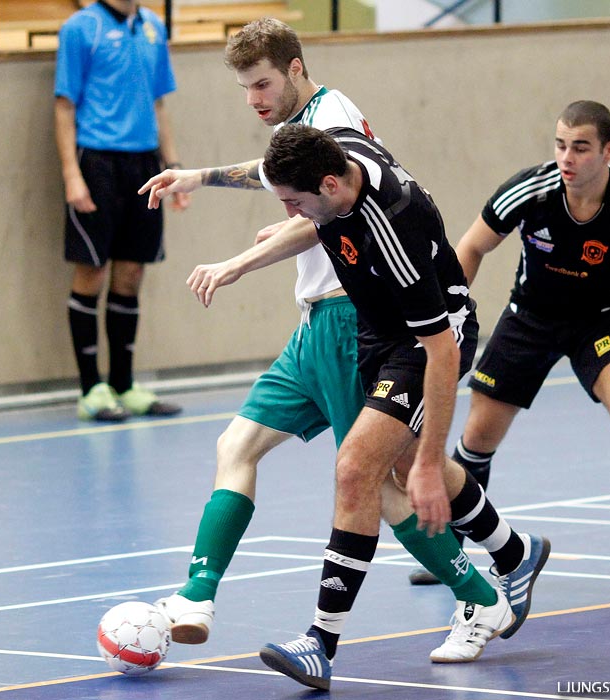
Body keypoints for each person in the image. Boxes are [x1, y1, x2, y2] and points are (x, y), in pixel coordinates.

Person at [138, 19, 547, 665]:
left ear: (296, 68)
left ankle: (464, 598)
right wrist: (204, 176)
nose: (253, 98)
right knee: (278, 451)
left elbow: (440, 347)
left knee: (378, 474)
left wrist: (240, 261)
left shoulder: (385, 219)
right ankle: (509, 557)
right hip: (350, 321)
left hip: (389, 327)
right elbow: (282, 178)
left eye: (263, 83)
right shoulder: (322, 144)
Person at [208, 124, 551, 690]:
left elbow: (441, 353)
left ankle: (321, 642)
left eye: (295, 204)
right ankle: (515, 552)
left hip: (426, 340)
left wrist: (427, 460)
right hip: (376, 330)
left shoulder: (394, 227)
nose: (290, 214)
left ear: (329, 185)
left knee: (358, 468)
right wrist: (242, 261)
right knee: (391, 465)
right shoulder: (337, 148)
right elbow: (310, 223)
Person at [429, 100, 610, 595]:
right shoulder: (530, 190)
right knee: (479, 433)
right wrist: (451, 323)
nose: (566, 157)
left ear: (608, 151)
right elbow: (470, 247)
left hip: (598, 322)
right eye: (560, 145)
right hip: (529, 317)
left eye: (580, 147)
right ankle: (451, 547)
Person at [54, 0, 189, 422]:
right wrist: (72, 175)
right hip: (96, 161)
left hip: (144, 163)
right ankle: (90, 388)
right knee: (91, 270)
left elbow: (158, 104)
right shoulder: (80, 28)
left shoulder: (152, 26)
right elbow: (64, 106)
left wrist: (174, 169)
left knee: (131, 273)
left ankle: (123, 385)